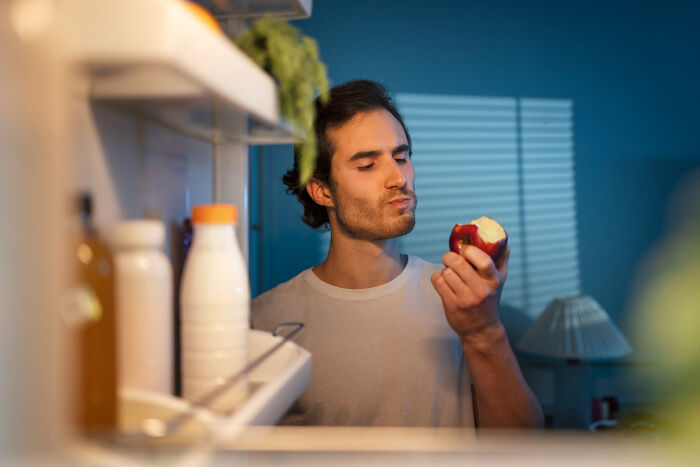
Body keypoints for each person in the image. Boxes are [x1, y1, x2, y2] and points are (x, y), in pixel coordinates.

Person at [252, 79, 543, 428]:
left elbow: (519, 446)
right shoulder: (267, 324)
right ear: (322, 191)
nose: (397, 178)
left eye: (401, 157)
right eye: (366, 165)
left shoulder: (459, 298)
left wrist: (484, 331)